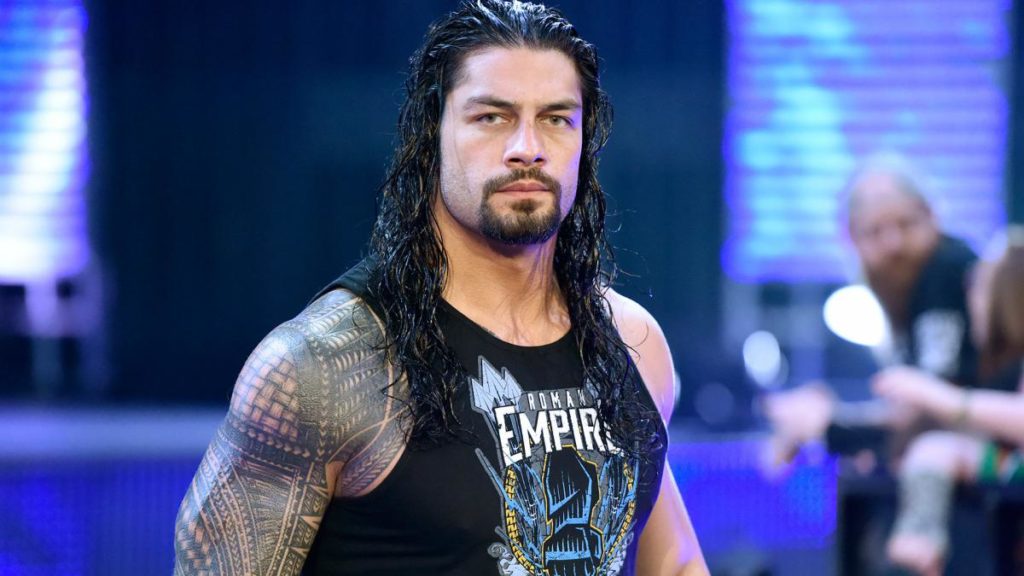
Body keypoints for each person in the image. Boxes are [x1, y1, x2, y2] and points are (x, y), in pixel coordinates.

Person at [172, 2, 707, 575]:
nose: (527, 147)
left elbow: (674, 563)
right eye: (492, 117)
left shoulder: (630, 343)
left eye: (557, 118)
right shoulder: (324, 365)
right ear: (432, 134)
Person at [764, 155, 978, 465]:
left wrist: (830, 424)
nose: (894, 244)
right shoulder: (903, 291)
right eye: (875, 231)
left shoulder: (945, 271)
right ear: (851, 238)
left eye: (906, 224)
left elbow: (936, 406)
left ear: (931, 216)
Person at [873, 227, 1024, 576]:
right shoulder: (1000, 366)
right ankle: (920, 538)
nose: (970, 295)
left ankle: (920, 540)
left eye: (981, 283)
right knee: (936, 449)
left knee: (938, 449)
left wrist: (943, 398)